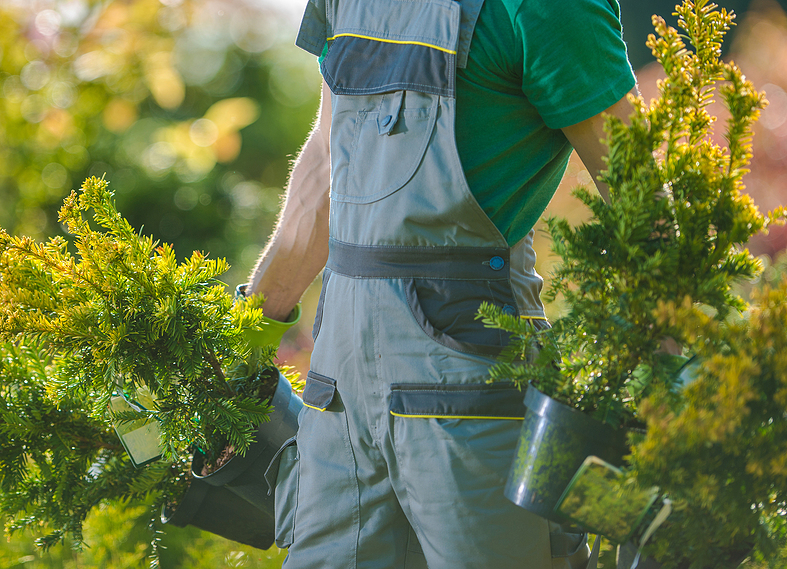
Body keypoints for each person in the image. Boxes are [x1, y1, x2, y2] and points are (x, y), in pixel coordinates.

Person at [246, 0, 638, 567]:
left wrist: (688, 394)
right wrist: (241, 335)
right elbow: (331, 159)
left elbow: (645, 202)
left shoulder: (549, 9)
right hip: (339, 395)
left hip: (473, 386)